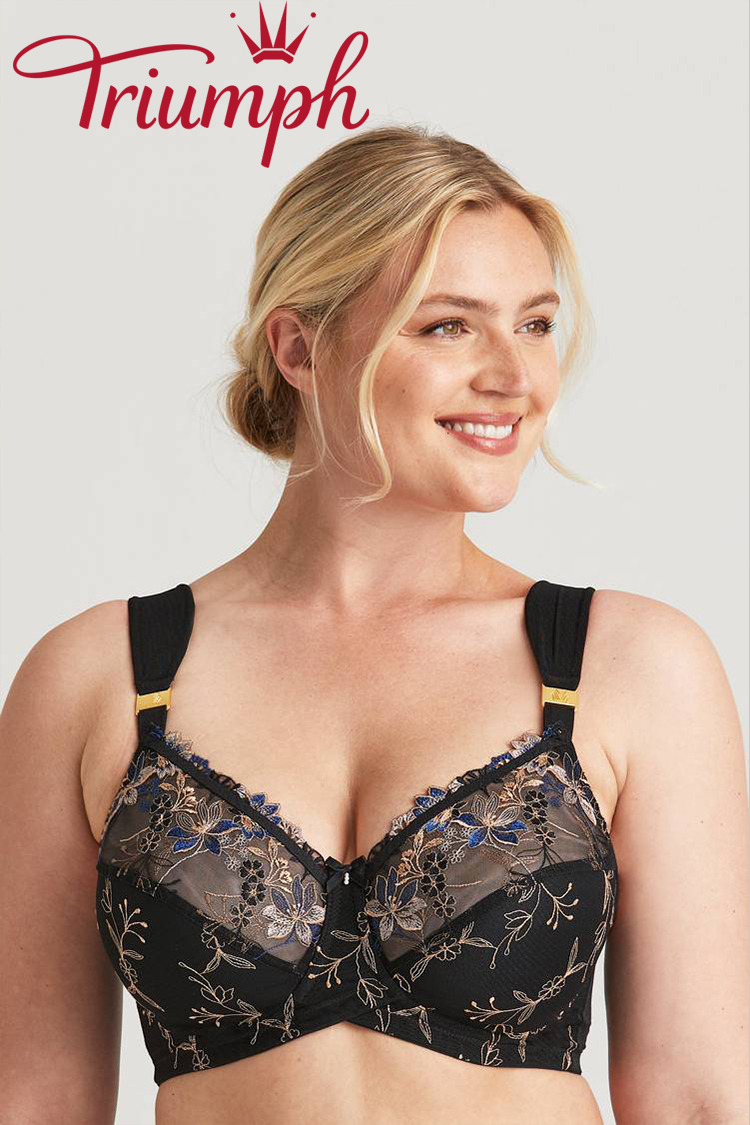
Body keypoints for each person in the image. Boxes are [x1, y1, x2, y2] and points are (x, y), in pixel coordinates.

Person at [2, 124, 747, 1125]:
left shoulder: (631, 666)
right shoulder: (101, 676)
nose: (515, 376)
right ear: (299, 348)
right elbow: (36, 1100)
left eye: (535, 324)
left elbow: (699, 1102)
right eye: (448, 327)